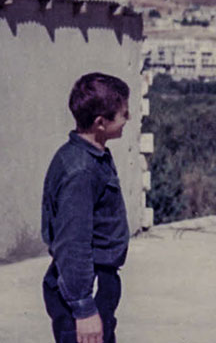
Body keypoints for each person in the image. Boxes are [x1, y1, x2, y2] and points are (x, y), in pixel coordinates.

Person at [41, 73, 131, 343]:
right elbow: (73, 242)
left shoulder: (94, 155)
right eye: (124, 114)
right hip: (86, 286)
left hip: (97, 282)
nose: (129, 118)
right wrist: (84, 309)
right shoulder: (80, 169)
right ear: (100, 123)